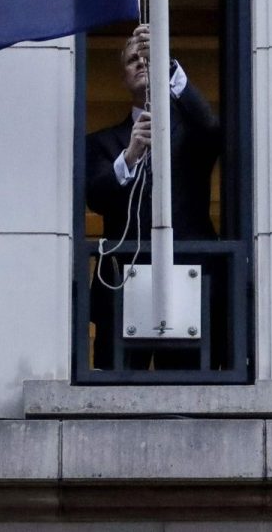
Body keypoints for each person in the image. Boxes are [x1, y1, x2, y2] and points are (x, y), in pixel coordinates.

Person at [83, 23, 223, 370]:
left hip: (188, 281)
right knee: (115, 396)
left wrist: (168, 63)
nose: (141, 64)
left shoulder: (190, 132)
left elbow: (210, 129)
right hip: (122, 283)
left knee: (187, 391)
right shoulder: (102, 142)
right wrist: (129, 156)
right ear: (124, 77)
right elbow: (96, 197)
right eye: (133, 60)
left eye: (148, 58)